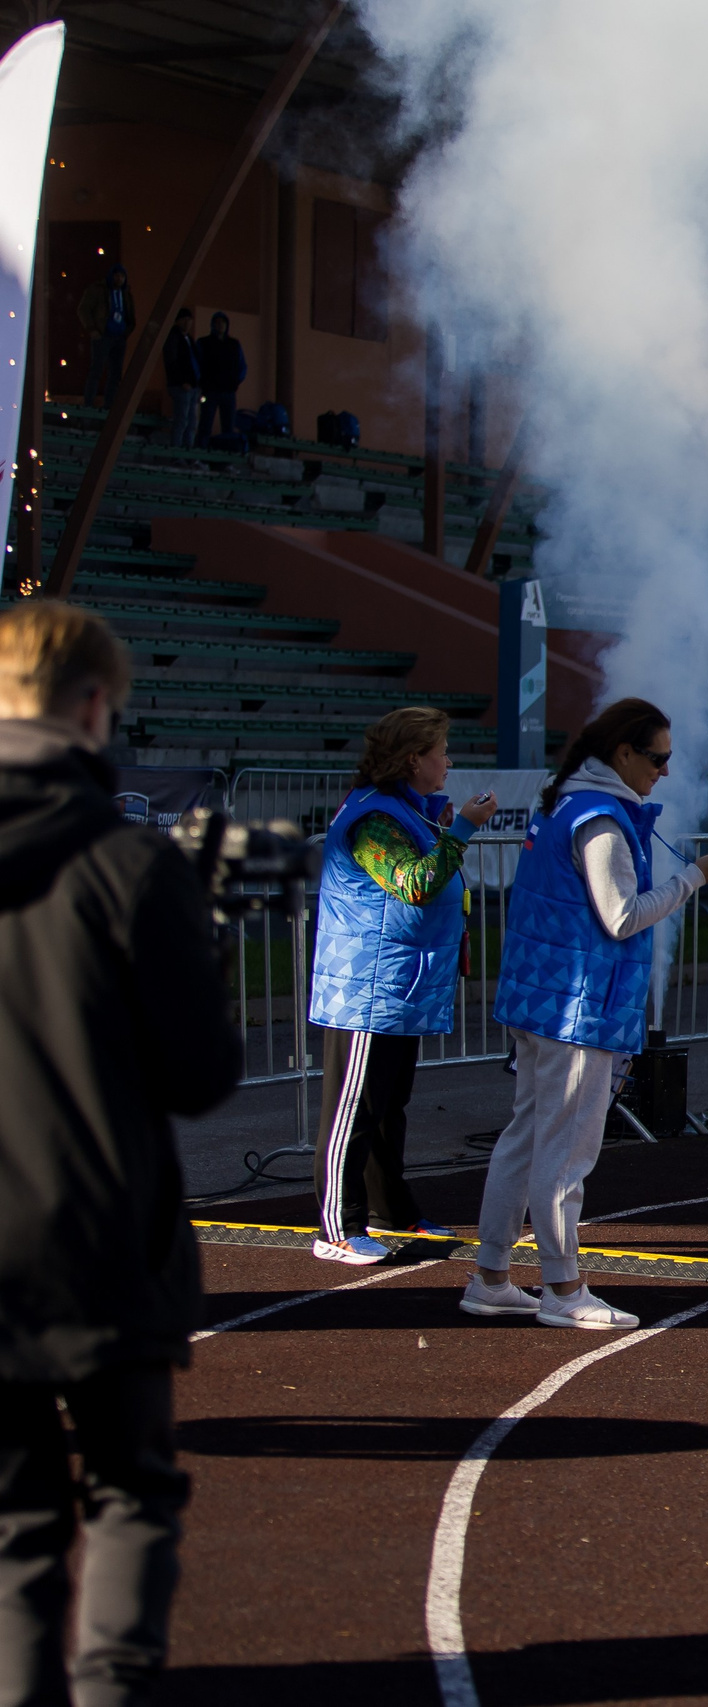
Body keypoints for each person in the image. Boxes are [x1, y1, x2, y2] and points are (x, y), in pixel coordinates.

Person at [0, 600, 239, 1705]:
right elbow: (200, 1076)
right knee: (131, 1491)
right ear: (95, 707)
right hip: (99, 1230)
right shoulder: (130, 865)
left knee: (15, 1520)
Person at [470, 699, 708, 1328]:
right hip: (578, 1006)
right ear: (623, 754)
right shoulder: (600, 819)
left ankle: (492, 1277)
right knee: (566, 1152)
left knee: (526, 1138)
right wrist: (696, 877)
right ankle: (563, 1290)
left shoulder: (565, 802)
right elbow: (620, 916)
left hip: (543, 998)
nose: (666, 771)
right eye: (658, 758)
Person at [305, 707, 498, 1265]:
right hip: (366, 986)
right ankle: (337, 1228)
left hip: (396, 984)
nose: (449, 761)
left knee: (389, 1105)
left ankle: (391, 1211)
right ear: (413, 758)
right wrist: (461, 828)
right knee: (353, 1107)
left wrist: (445, 825)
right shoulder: (373, 819)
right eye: (440, 751)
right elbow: (412, 884)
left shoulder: (403, 810)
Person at [79, 266, 132, 406]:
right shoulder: (98, 290)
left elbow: (130, 314)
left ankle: (110, 405)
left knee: (116, 373)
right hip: (103, 335)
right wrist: (92, 330)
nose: (119, 279)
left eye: (122, 276)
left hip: (119, 337)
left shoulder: (125, 293)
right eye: (117, 275)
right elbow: (83, 309)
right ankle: (88, 403)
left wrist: (126, 332)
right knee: (97, 370)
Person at [195, 312, 246, 442]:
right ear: (212, 325)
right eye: (217, 322)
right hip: (210, 391)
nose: (220, 325)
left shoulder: (234, 344)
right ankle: (201, 454)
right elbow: (196, 364)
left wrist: (235, 383)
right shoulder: (204, 343)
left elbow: (242, 366)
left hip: (229, 392)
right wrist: (202, 382)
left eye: (223, 322)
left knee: (228, 427)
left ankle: (226, 457)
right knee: (205, 425)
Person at [159, 310, 201, 450]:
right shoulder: (173, 337)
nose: (187, 323)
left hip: (193, 387)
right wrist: (182, 381)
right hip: (181, 386)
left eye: (189, 319)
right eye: (184, 319)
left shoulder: (189, 339)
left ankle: (187, 452)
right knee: (181, 420)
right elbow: (171, 362)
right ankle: (176, 451)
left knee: (191, 422)